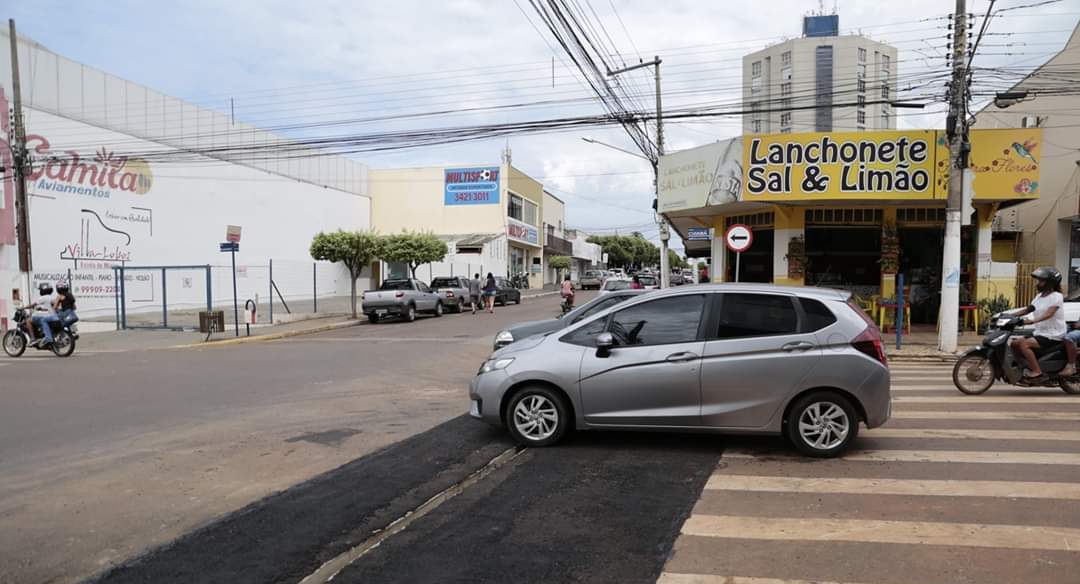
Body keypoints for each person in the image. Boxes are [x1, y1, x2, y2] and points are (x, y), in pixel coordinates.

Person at [1009, 267, 1067, 382]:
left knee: (1024, 344)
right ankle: (1024, 366)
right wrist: (1011, 316)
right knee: (1014, 344)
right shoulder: (1039, 297)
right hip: (1041, 332)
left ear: (1050, 282)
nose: (1039, 283)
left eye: (1042, 281)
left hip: (1053, 334)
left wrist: (1032, 321)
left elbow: (1049, 314)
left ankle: (1037, 371)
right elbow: (1028, 309)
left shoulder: (1057, 296)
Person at [30, 282, 61, 347]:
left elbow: (33, 304)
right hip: (53, 316)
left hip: (47, 317)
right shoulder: (53, 297)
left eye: (40, 289)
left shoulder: (42, 298)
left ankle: (33, 339)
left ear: (43, 290)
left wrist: (23, 307)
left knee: (28, 320)